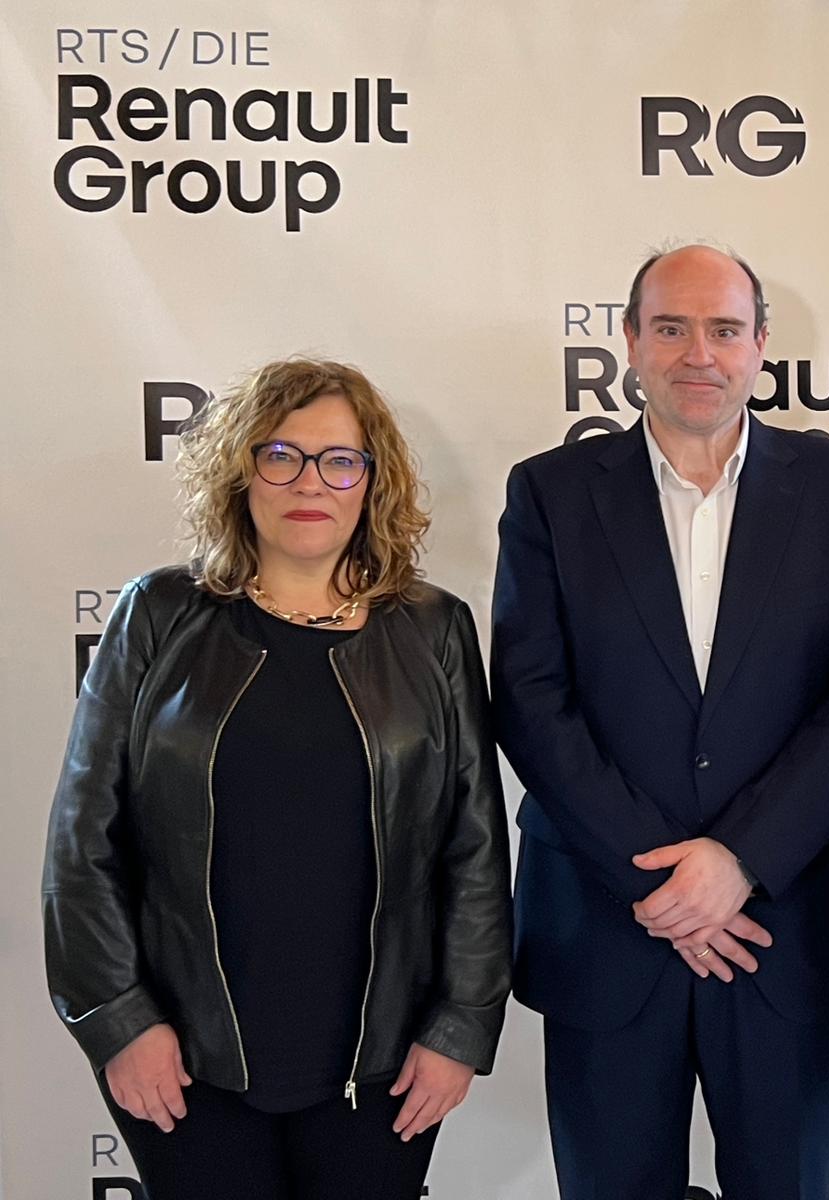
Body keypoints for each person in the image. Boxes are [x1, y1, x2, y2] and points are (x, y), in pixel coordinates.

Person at [42, 358, 512, 1200]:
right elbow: (83, 844)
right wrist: (120, 1021)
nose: (310, 482)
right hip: (181, 1059)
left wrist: (461, 1027)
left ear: (373, 481)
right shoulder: (158, 614)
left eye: (339, 460)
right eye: (280, 455)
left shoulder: (434, 628)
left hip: (384, 1065)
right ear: (241, 472)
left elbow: (474, 849)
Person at [493, 243, 829, 1198]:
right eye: (671, 328)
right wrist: (665, 879)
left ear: (762, 344)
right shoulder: (550, 493)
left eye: (724, 329)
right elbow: (530, 696)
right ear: (630, 341)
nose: (699, 354)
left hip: (784, 927)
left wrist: (741, 859)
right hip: (606, 924)